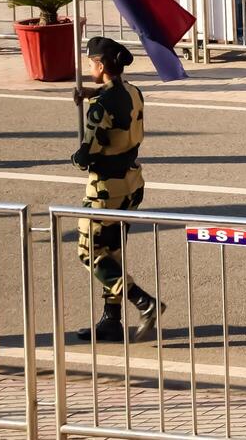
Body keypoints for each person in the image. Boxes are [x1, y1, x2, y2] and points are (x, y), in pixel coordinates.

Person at [71, 37, 163, 343]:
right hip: (132, 183)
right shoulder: (133, 92)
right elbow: (117, 105)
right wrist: (91, 94)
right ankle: (111, 320)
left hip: (105, 189)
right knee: (112, 251)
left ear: (99, 65)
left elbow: (86, 156)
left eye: (91, 64)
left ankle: (142, 301)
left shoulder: (99, 109)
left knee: (90, 253)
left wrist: (77, 155)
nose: (89, 69)